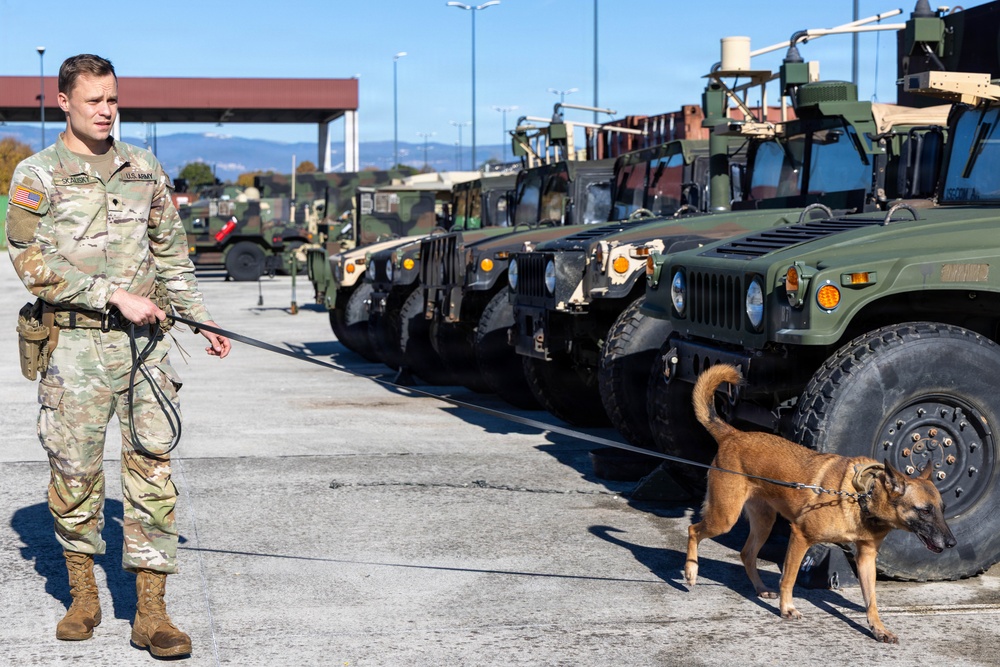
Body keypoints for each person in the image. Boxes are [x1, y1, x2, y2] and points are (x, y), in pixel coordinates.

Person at [5, 54, 231, 659]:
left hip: (146, 349)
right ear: (64, 102)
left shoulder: (144, 166)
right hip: (74, 347)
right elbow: (30, 264)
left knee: (152, 470)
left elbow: (173, 253)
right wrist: (112, 295)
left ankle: (151, 613)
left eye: (112, 99)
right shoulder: (38, 175)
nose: (106, 111)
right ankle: (83, 596)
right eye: (93, 100)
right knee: (75, 474)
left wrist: (198, 316)